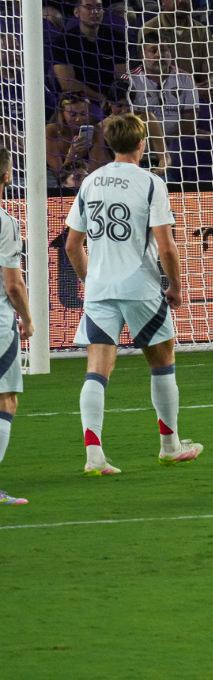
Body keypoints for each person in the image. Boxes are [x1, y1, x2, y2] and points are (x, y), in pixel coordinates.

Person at [64, 113, 202, 476]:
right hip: (140, 286)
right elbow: (167, 246)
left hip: (100, 288)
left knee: (97, 369)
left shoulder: (91, 182)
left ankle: (94, 454)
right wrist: (175, 285)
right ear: (142, 143)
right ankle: (170, 445)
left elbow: (72, 244)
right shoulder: (150, 182)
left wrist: (89, 278)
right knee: (162, 362)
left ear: (110, 143)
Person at [0, 144, 32, 504]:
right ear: (7, 176)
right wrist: (27, 318)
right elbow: (13, 284)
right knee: (5, 401)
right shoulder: (5, 222)